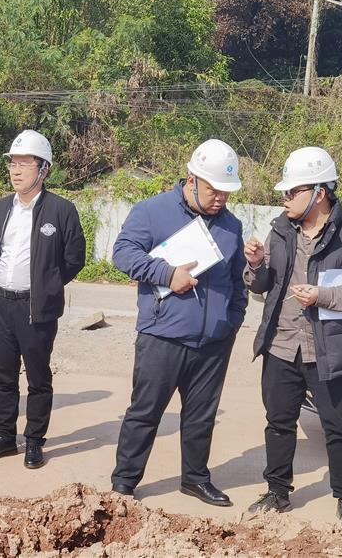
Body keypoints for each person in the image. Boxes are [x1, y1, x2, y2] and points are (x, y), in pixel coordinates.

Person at [243, 146, 342, 530]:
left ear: (319, 193)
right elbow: (262, 285)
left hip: (329, 350)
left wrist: (323, 296)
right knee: (278, 422)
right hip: (281, 346)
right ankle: (277, 491)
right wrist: (253, 265)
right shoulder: (280, 229)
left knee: (339, 428)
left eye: (292, 191)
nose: (285, 199)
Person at [110, 139, 247, 505]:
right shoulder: (152, 212)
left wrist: (231, 321)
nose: (220, 198)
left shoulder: (231, 226)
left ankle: (195, 479)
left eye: (226, 192)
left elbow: (237, 281)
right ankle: (124, 482)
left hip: (213, 342)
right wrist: (167, 274)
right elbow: (123, 253)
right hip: (162, 336)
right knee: (145, 412)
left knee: (202, 416)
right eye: (213, 190)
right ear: (192, 179)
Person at [0, 130, 86, 469]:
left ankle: (34, 440)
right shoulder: (0, 208)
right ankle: (5, 436)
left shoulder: (61, 210)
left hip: (36, 309)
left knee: (38, 378)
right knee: (4, 376)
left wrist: (47, 285)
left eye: (25, 163)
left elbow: (74, 258)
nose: (16, 170)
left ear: (44, 169)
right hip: (0, 305)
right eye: (13, 163)